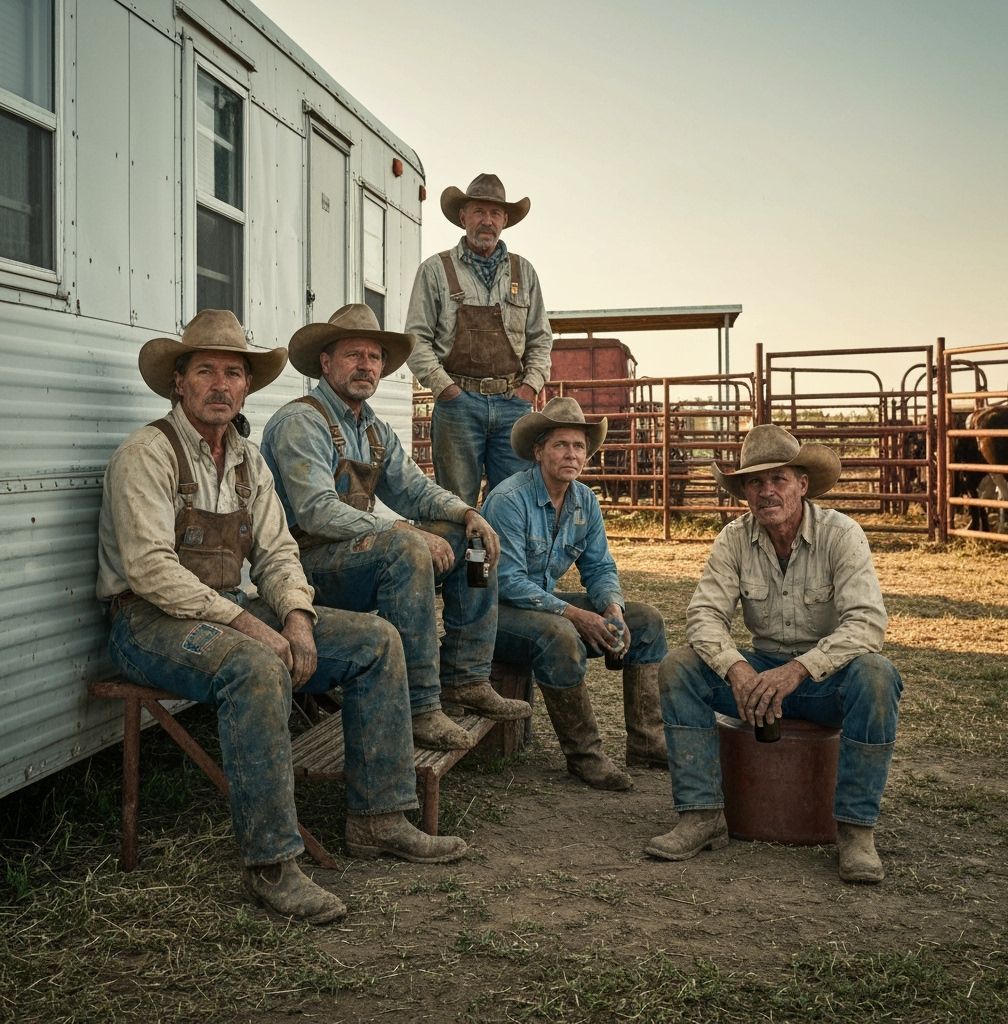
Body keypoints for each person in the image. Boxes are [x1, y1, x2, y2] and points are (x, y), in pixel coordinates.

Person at [97, 310, 467, 925]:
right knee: (256, 667)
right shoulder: (146, 454)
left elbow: (277, 552)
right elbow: (151, 572)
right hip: (148, 624)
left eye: (234, 373)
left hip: (227, 609)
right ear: (179, 383)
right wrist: (254, 628)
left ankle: (378, 817)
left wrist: (296, 615)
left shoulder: (248, 461)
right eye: (207, 370)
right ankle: (271, 864)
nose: (221, 384)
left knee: (376, 640)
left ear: (247, 387)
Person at [261, 303, 531, 753]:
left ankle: (466, 677)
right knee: (403, 548)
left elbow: (415, 489)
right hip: (303, 568)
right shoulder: (301, 421)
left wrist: (467, 513)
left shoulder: (372, 429)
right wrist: (402, 533)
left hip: (355, 558)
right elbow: (316, 513)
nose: (365, 366)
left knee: (473, 545)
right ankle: (419, 705)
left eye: (374, 357)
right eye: (353, 355)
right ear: (325, 363)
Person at [645, 424, 903, 883]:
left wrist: (800, 669)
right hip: (760, 672)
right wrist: (738, 668)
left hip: (827, 677)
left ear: (802, 484)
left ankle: (856, 831)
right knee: (679, 667)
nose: (767, 492)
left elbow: (866, 623)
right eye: (754, 482)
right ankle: (701, 816)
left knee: (877, 675)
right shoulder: (733, 538)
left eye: (778, 479)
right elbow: (704, 616)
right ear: (744, 492)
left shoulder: (842, 534)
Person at [481, 398, 669, 791]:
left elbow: (599, 567)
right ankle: (585, 756)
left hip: (543, 607)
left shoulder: (585, 500)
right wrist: (578, 616)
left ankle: (648, 743)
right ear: (538, 452)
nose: (572, 454)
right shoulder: (508, 500)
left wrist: (611, 608)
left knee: (646, 621)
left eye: (579, 446)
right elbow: (510, 582)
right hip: (494, 614)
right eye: (560, 445)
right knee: (560, 635)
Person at [404, 172, 553, 505]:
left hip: (512, 402)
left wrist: (529, 387)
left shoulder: (524, 272)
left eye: (495, 213)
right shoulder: (435, 270)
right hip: (458, 404)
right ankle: (461, 560)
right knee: (455, 504)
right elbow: (416, 338)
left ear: (505, 221)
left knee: (515, 502)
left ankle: (506, 560)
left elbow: (541, 340)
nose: (487, 221)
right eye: (479, 212)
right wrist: (446, 389)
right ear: (463, 217)